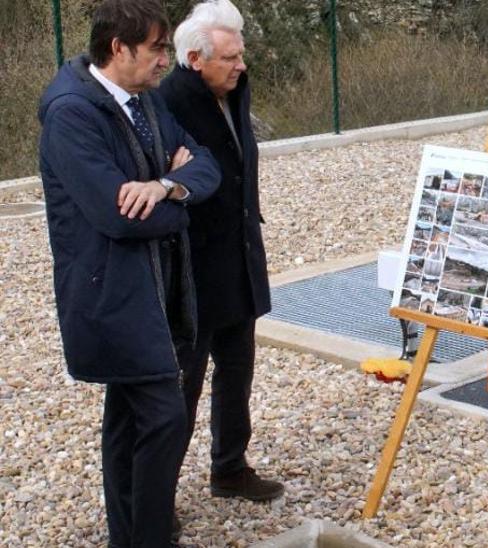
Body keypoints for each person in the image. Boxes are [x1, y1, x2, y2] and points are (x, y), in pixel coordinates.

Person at [37, 0, 220, 545]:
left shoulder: (145, 103)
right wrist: (179, 199)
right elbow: (117, 216)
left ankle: (130, 535)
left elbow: (206, 164)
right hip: (112, 295)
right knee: (163, 415)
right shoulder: (71, 113)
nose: (166, 59)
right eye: (157, 48)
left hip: (158, 286)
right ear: (118, 47)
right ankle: (149, 535)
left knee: (127, 417)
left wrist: (165, 186)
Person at [159, 0, 280, 501]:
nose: (240, 65)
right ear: (195, 59)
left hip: (239, 257)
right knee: (181, 387)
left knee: (238, 368)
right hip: (193, 268)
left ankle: (229, 467)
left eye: (240, 54)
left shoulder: (234, 93)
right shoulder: (167, 103)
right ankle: (157, 494)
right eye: (229, 58)